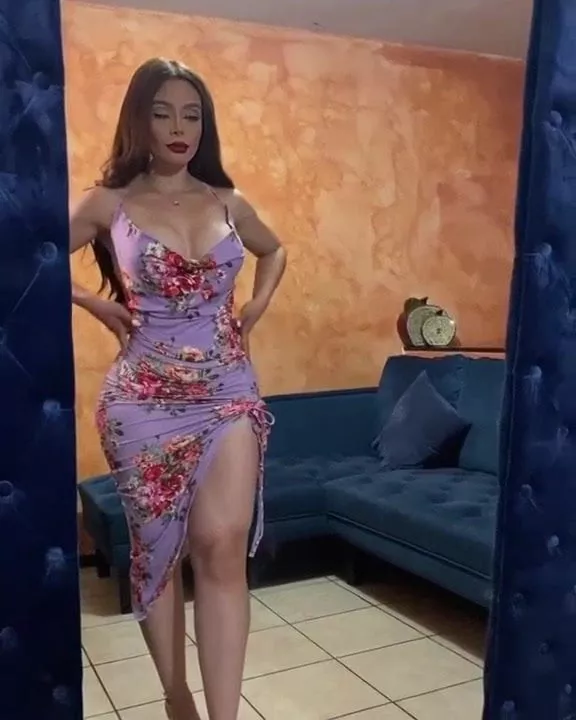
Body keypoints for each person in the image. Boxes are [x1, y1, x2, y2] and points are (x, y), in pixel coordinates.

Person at [70, 58, 286, 720]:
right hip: (141, 400)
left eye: (192, 114)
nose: (178, 127)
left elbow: (274, 249)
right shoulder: (108, 202)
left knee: (223, 545)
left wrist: (255, 306)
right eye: (162, 111)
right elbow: (26, 251)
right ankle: (176, 695)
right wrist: (92, 301)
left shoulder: (228, 200)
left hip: (228, 391)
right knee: (158, 552)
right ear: (139, 119)